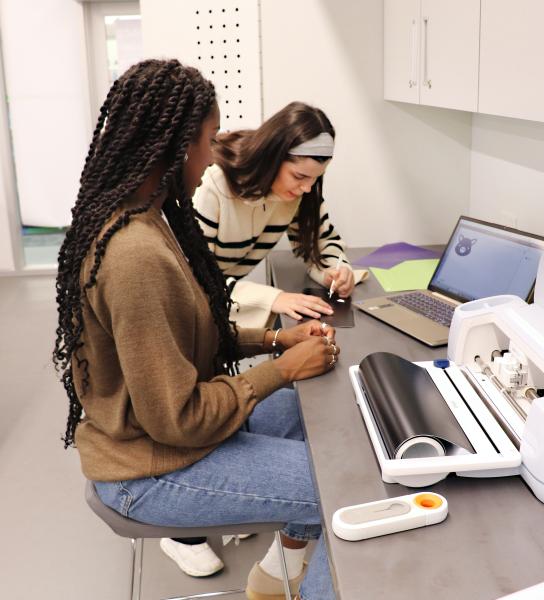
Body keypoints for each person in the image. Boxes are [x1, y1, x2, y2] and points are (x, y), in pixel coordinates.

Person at [52, 58, 339, 600]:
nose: (212, 155)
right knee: (341, 484)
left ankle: (277, 579)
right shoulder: (134, 254)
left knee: (318, 417)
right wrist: (278, 370)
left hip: (160, 441)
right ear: (176, 146)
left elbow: (189, 333)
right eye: (208, 140)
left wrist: (275, 339)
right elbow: (178, 418)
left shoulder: (148, 220)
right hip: (147, 472)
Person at [193, 101, 368, 328]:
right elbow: (195, 277)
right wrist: (275, 298)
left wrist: (337, 271)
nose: (306, 188)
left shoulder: (298, 192)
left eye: (315, 178)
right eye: (299, 176)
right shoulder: (213, 184)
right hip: (192, 306)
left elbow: (324, 242)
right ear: (273, 158)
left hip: (222, 295)